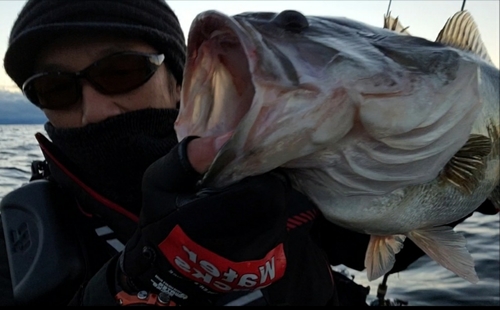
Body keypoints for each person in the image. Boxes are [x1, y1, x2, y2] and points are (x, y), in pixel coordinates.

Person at [0, 0, 497, 307]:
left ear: (179, 82)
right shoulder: (21, 238)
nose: (95, 108)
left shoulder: (281, 168)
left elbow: (371, 245)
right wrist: (149, 278)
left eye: (121, 72)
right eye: (56, 89)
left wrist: (473, 191)